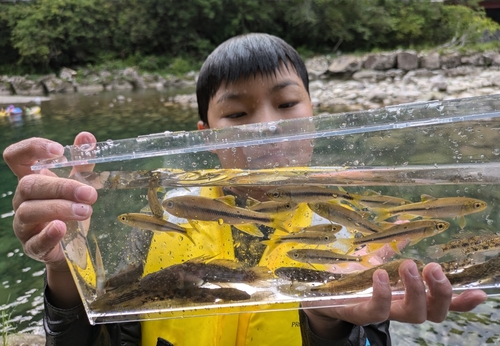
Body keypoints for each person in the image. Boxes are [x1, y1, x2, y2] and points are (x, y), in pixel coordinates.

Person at [3, 33, 487, 346]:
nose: (267, 129)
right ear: (207, 136)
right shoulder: (160, 225)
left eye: (286, 104)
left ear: (316, 119)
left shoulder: (355, 239)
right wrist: (69, 265)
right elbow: (92, 337)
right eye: (236, 114)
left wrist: (333, 323)